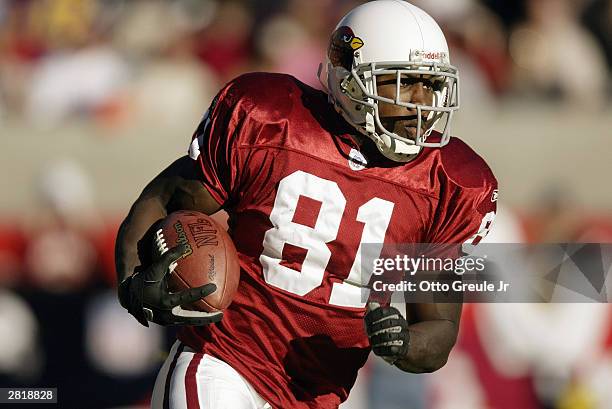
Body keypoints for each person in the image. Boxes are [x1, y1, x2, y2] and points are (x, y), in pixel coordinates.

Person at [115, 1, 497, 408]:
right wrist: (131, 280)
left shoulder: (450, 183)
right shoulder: (270, 121)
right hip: (224, 360)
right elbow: (162, 199)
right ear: (351, 81)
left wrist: (404, 344)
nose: (422, 103)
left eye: (432, 85)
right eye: (403, 83)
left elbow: (438, 329)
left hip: (316, 395)